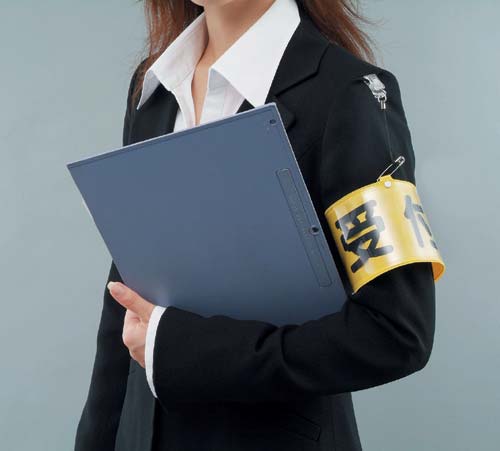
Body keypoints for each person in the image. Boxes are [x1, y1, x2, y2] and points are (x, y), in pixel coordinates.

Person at [74, 0, 438, 450]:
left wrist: (183, 349)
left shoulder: (350, 94)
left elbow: (396, 331)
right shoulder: (153, 87)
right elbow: (127, 296)